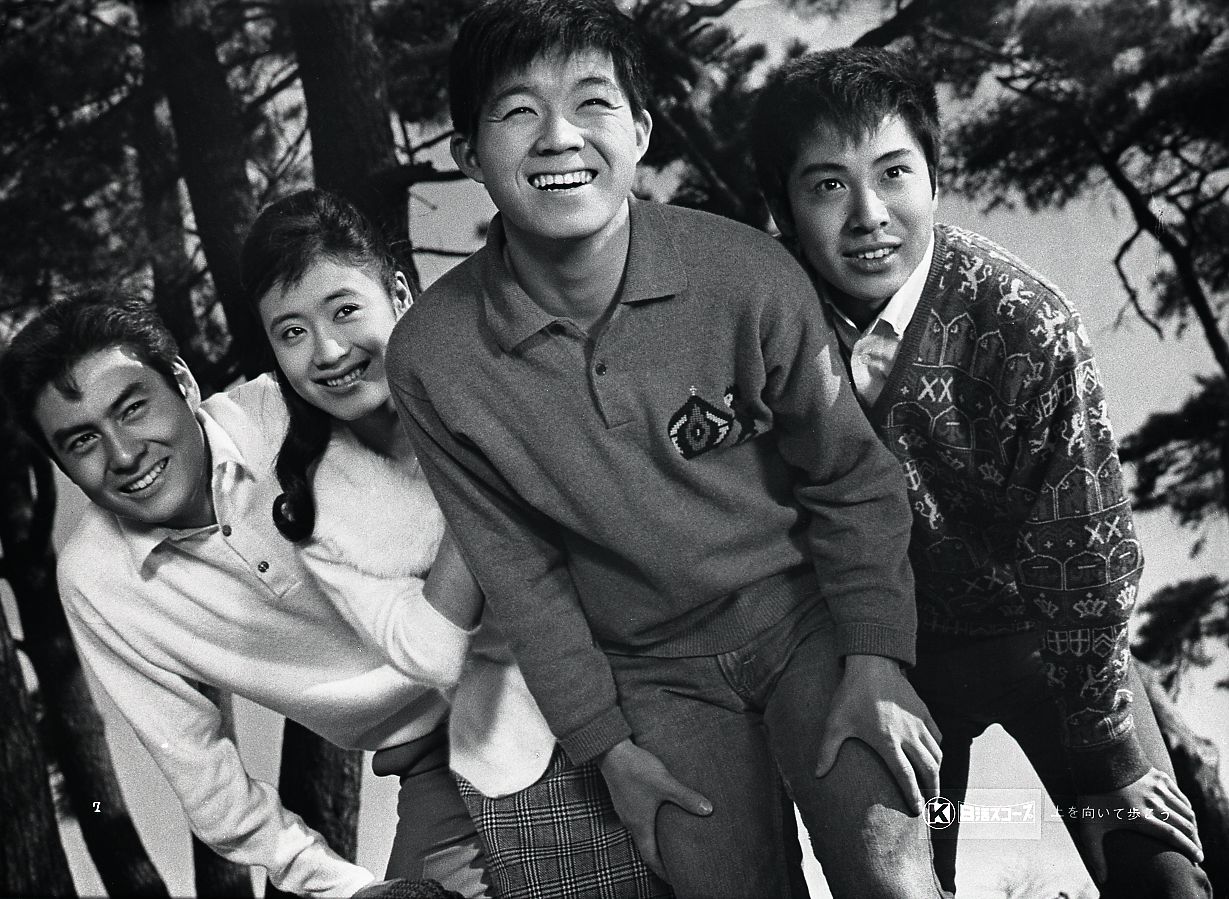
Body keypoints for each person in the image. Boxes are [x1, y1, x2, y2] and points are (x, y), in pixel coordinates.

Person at [386, 1, 947, 896]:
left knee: (893, 874)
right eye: (518, 111)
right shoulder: (433, 357)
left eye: (592, 103)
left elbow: (848, 476)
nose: (559, 137)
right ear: (467, 154)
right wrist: (607, 748)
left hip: (810, 621)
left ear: (640, 132)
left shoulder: (746, 274)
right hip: (650, 673)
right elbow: (520, 574)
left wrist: (877, 657)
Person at [748, 47, 1210, 898]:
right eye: (827, 185)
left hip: (1042, 636)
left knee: (1157, 867)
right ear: (781, 208)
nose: (868, 215)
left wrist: (1107, 753)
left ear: (934, 180)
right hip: (881, 653)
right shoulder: (758, 316)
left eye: (893, 173)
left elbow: (1085, 550)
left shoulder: (1025, 322)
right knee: (900, 879)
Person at [236, 186, 671, 899]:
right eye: (291, 333)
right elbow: (427, 651)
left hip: (655, 686)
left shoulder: (507, 367)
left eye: (344, 309)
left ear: (399, 293)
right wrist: (482, 487)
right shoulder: (318, 513)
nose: (329, 351)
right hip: (503, 755)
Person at [0, 292, 470, 899]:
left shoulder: (285, 409)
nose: (124, 454)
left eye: (133, 408)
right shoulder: (96, 581)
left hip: (546, 668)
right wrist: (346, 888)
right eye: (82, 441)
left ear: (184, 384)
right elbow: (209, 785)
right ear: (60, 464)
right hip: (435, 764)